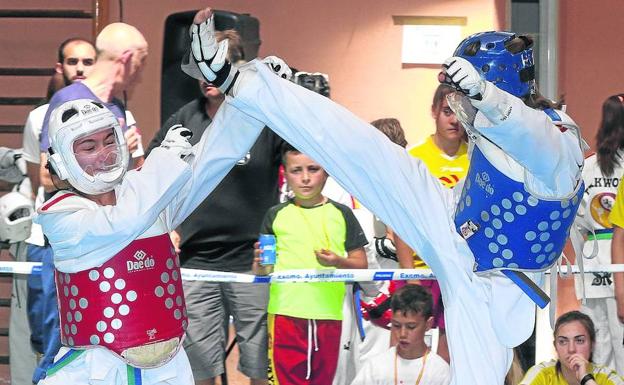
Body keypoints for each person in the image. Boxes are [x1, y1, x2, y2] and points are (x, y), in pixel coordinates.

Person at [180, 10, 585, 384]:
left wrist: (487, 96)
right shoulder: (494, 128)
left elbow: (535, 138)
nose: (461, 112)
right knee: (365, 150)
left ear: (498, 90)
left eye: (466, 98)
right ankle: (246, 82)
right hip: (456, 228)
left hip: (493, 280)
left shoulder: (556, 140)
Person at [147, 29, 284, 385]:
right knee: (201, 370)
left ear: (237, 68)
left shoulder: (261, 119)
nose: (208, 75)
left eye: (219, 65)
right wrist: (166, 224)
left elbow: (308, 166)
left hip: (253, 263)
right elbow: (150, 179)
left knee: (258, 368)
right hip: (196, 264)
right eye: (202, 66)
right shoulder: (184, 120)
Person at [255, 144, 367, 385]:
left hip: (329, 315)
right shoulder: (275, 215)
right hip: (285, 316)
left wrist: (338, 261)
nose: (305, 178)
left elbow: (361, 265)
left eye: (313, 169)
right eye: (296, 170)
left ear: (325, 171)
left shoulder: (342, 213)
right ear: (285, 173)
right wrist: (260, 266)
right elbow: (265, 269)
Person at [397, 83, 470, 362]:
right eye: (447, 111)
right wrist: (408, 274)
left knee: (450, 354)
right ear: (434, 112)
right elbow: (402, 220)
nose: (454, 120)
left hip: (460, 271)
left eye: (461, 113)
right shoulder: (415, 158)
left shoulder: (477, 159)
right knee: (410, 353)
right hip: (422, 270)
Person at [575, 94, 624, 374]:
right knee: (621, 346)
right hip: (620, 263)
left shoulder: (587, 167)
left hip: (591, 262)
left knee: (597, 349)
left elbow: (577, 223)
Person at [351, 284, 450, 385]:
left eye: (411, 327)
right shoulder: (376, 367)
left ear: (428, 324)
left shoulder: (440, 372)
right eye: (396, 325)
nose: (402, 334)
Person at [520, 311, 624, 385]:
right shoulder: (542, 374)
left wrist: (586, 378)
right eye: (563, 341)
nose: (571, 349)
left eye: (579, 341)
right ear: (555, 346)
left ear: (592, 344)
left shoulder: (607, 377)